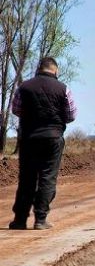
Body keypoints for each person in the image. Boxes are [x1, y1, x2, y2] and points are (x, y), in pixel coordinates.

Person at [9, 57, 77, 230]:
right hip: (53, 138)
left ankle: (20, 220)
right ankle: (40, 219)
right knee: (47, 177)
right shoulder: (63, 88)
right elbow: (71, 115)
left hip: (29, 138)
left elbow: (16, 109)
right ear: (55, 70)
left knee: (26, 178)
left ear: (39, 68)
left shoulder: (24, 87)